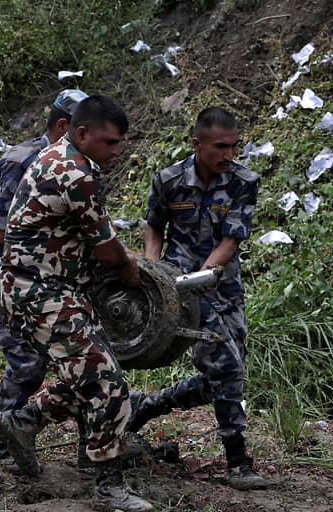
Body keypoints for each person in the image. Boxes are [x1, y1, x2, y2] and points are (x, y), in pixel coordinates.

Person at [0, 95, 155, 512]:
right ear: (82, 134)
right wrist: (134, 271)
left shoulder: (58, 157)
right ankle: (107, 484)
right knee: (105, 379)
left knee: (85, 373)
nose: (117, 152)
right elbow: (108, 252)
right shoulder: (75, 174)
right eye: (111, 142)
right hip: (39, 292)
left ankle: (22, 423)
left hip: (38, 289)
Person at [129, 107, 267, 491]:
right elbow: (154, 225)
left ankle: (148, 405)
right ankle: (238, 460)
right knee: (227, 370)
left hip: (223, 288)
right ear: (197, 144)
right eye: (220, 147)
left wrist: (204, 275)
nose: (228, 154)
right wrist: (152, 273)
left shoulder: (243, 181)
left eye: (233, 146)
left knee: (223, 376)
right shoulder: (169, 180)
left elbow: (232, 240)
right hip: (180, 294)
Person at [0, 89, 88, 463]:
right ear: (65, 126)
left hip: (39, 278)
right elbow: (7, 237)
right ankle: (3, 447)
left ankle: (78, 447)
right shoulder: (23, 162)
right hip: (0, 275)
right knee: (27, 363)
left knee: (73, 357)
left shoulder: (69, 163)